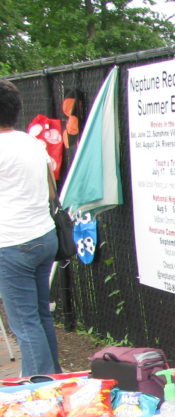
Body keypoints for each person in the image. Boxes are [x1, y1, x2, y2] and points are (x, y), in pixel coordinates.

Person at [0, 79, 62, 376]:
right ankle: (55, 379)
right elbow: (51, 191)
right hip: (43, 235)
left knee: (24, 323)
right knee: (40, 316)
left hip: (11, 244)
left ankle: (39, 391)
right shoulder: (32, 142)